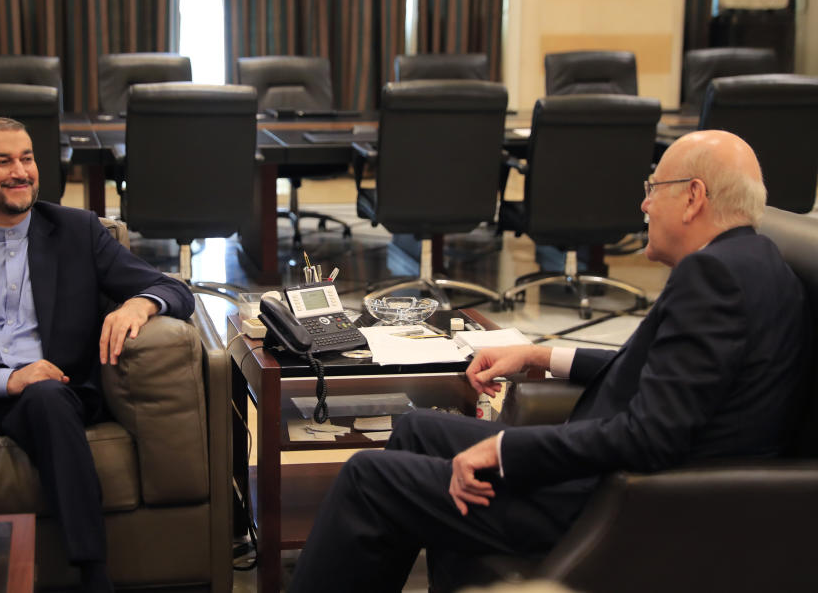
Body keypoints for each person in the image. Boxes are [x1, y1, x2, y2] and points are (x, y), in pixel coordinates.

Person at [289, 130, 812, 592]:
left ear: (693, 196)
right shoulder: (758, 266)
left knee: (369, 476)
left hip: (618, 503)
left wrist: (506, 449)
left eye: (654, 188)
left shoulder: (712, 279)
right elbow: (664, 371)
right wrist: (543, 354)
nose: (644, 205)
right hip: (627, 483)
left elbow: (652, 435)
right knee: (418, 432)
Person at [0, 117, 194, 591]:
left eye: (26, 158)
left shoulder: (78, 232)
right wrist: (6, 378)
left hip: (49, 392)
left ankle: (93, 575)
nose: (20, 171)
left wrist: (139, 302)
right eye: (2, 161)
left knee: (46, 395)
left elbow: (172, 287)